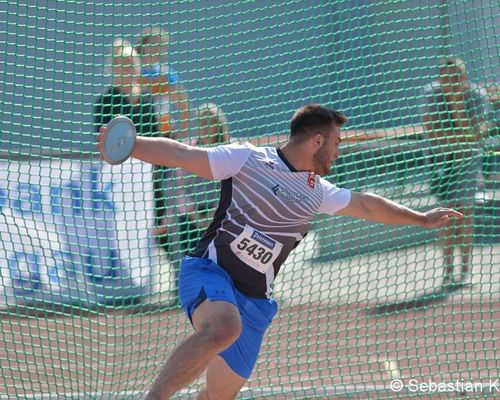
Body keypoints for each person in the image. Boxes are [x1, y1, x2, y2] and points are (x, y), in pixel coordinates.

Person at [97, 104, 462, 399]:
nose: (339, 151)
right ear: (317, 141)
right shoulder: (248, 160)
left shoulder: (317, 191)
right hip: (210, 272)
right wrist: (130, 144)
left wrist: (420, 218)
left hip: (255, 301)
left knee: (217, 396)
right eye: (336, 142)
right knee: (224, 328)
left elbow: (366, 205)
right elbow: (182, 154)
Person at [93, 39, 170, 267]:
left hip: (151, 179)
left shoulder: (148, 101)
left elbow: (158, 137)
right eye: (121, 64)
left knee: (162, 231)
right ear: (112, 68)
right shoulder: (105, 102)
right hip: (119, 183)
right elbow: (103, 144)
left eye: (130, 63)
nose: (126, 69)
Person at [420, 57, 491, 288]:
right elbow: (432, 132)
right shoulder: (432, 94)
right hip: (442, 163)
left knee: (465, 212)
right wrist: (461, 141)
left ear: (464, 77)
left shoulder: (477, 95)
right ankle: (447, 271)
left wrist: (457, 104)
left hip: (468, 162)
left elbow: (476, 135)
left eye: (456, 76)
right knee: (446, 216)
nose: (450, 81)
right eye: (446, 77)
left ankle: (465, 269)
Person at [135, 26, 190, 140]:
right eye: (153, 44)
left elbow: (184, 106)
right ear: (143, 45)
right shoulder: (132, 72)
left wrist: (183, 136)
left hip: (163, 132)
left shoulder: (166, 74)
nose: (157, 49)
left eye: (160, 45)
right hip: (137, 128)